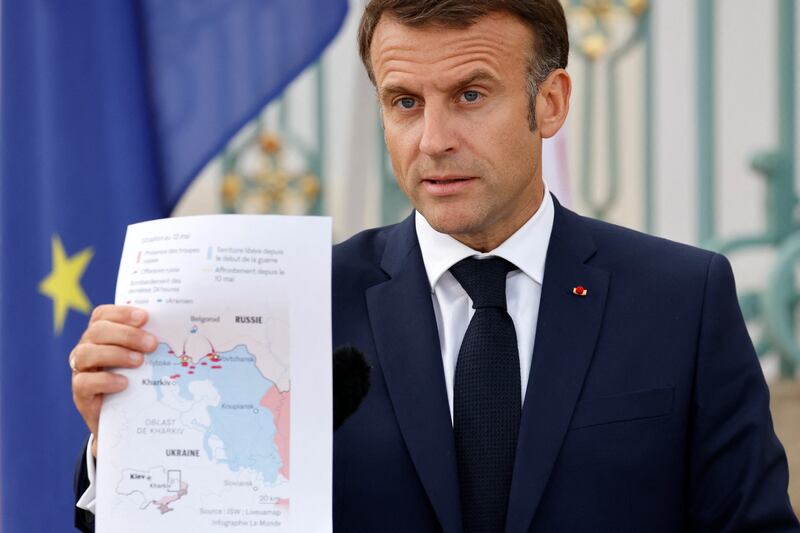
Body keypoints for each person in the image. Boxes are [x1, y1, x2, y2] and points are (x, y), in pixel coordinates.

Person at [72, 1, 799, 531]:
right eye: (404, 102)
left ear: (549, 102)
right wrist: (122, 443)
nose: (433, 139)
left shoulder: (682, 298)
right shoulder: (287, 307)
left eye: (470, 95)